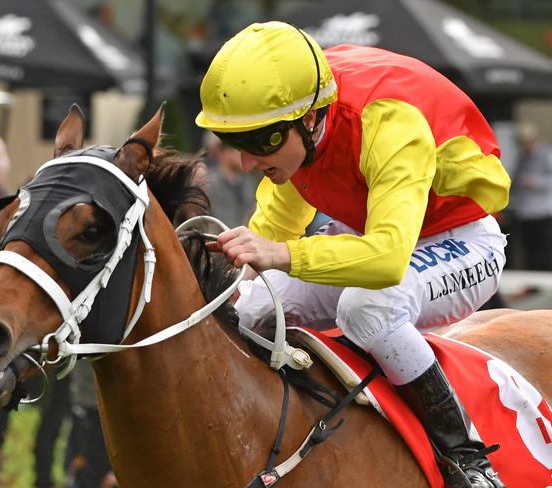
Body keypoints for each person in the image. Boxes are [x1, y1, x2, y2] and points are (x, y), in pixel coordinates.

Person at [196, 21, 510, 488]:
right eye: (236, 143)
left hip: (462, 238)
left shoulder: (388, 121)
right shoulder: (299, 134)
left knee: (367, 309)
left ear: (309, 118)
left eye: (260, 142)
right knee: (253, 305)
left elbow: (385, 259)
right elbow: (270, 237)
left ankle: (468, 460)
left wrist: (281, 254)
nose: (246, 163)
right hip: (375, 234)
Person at [510, 121, 552, 271]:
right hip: (525, 212)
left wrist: (534, 181)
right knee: (529, 248)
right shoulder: (522, 157)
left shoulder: (546, 154)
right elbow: (515, 179)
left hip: (542, 212)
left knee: (544, 248)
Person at [203, 131, 260, 227]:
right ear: (222, 153)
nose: (241, 155)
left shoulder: (248, 181)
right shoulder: (210, 183)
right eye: (237, 149)